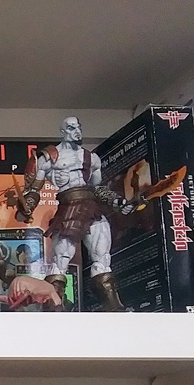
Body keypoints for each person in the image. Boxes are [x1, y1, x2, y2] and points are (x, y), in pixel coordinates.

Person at [18, 116, 135, 311]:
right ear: (63, 131)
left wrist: (117, 201)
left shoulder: (91, 158)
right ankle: (53, 307)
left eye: (78, 127)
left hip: (91, 207)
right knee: (61, 259)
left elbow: (97, 188)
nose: (77, 131)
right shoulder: (48, 157)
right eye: (71, 128)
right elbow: (33, 189)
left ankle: (113, 306)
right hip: (68, 208)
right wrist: (27, 206)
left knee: (102, 257)